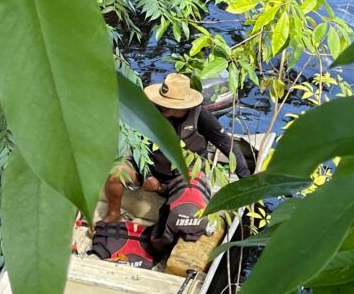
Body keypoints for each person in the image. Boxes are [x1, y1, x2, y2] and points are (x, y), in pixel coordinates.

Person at [101, 72, 252, 225]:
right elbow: (135, 143)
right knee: (115, 173)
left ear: (185, 106)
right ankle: (113, 214)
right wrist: (147, 175)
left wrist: (246, 181)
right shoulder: (150, 112)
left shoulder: (200, 116)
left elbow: (228, 145)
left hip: (185, 174)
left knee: (184, 209)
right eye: (162, 102)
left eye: (169, 104)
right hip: (149, 167)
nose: (163, 107)